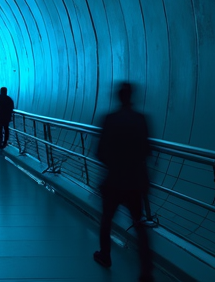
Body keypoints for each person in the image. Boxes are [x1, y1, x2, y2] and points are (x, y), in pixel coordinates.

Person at [94, 82, 153, 282]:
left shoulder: (110, 119)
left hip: (114, 180)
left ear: (118, 97)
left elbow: (100, 152)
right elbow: (147, 150)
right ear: (132, 96)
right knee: (139, 225)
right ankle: (146, 272)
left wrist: (114, 164)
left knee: (107, 219)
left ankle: (105, 255)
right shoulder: (141, 120)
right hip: (135, 181)